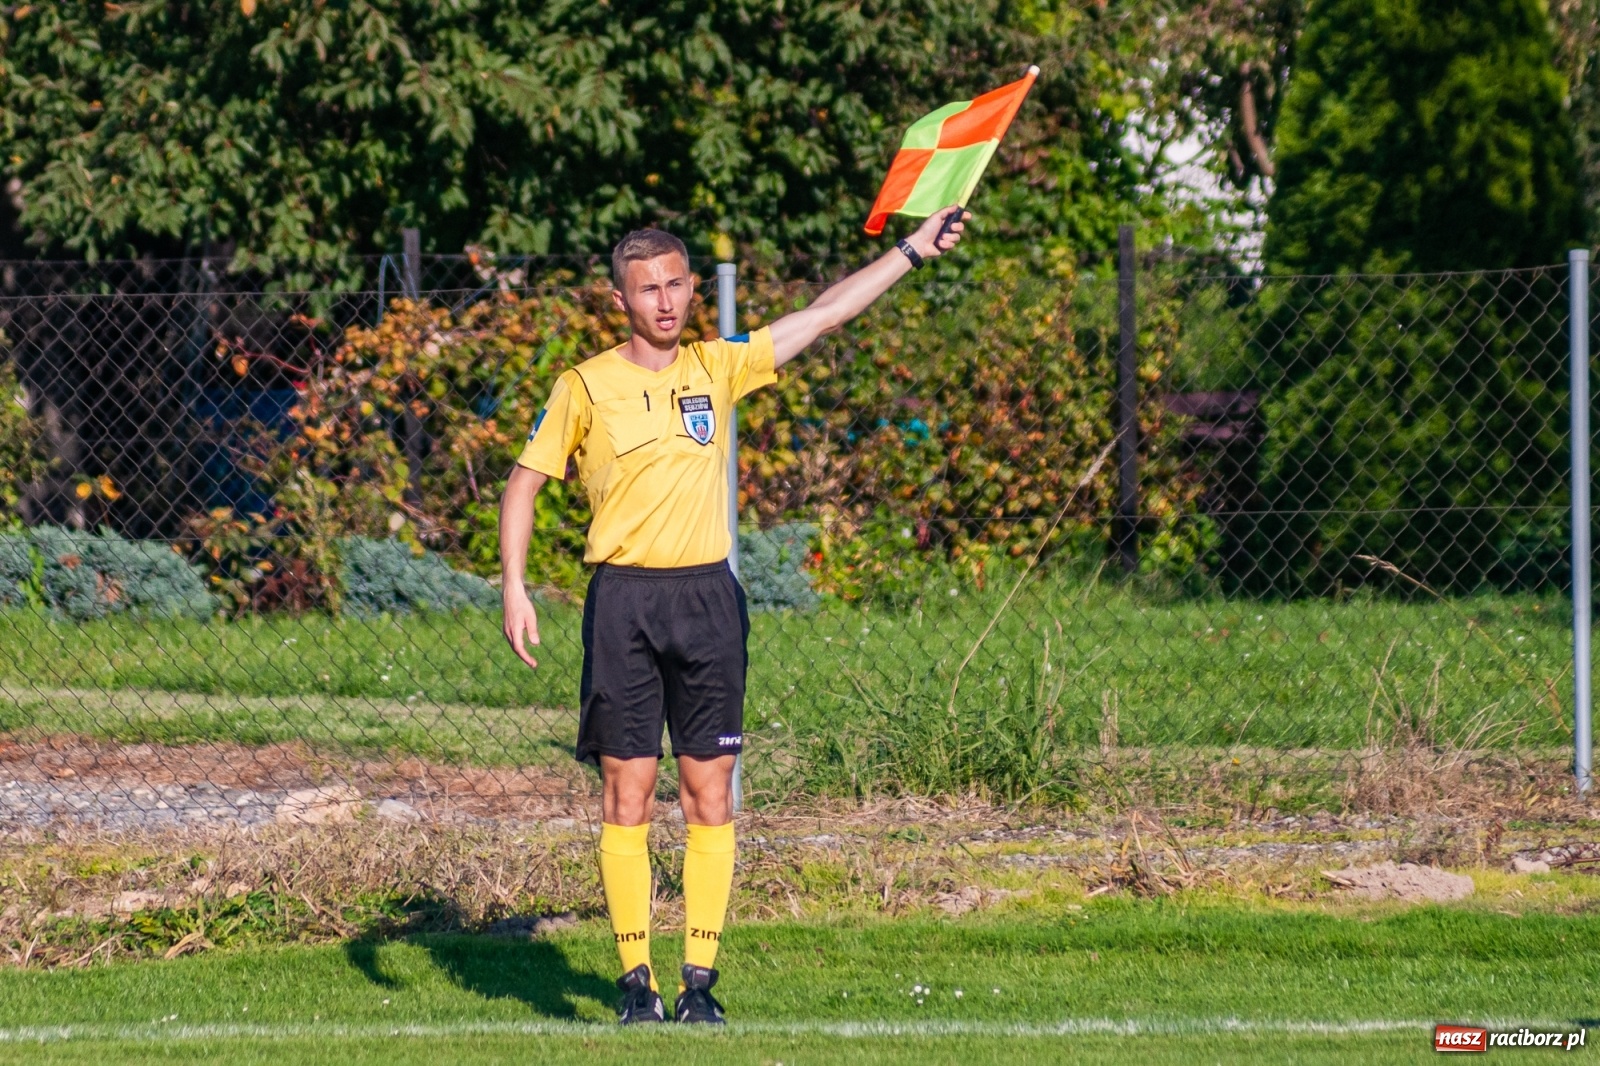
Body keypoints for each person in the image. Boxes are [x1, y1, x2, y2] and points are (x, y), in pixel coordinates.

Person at [498, 205, 968, 1025]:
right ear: (622, 301)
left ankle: (700, 983)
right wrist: (514, 585)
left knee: (708, 793)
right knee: (627, 793)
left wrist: (912, 251)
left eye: (678, 283)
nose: (668, 301)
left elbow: (823, 314)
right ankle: (635, 980)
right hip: (623, 601)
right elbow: (524, 482)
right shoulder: (583, 385)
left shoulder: (718, 366)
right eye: (649, 289)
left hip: (708, 599)